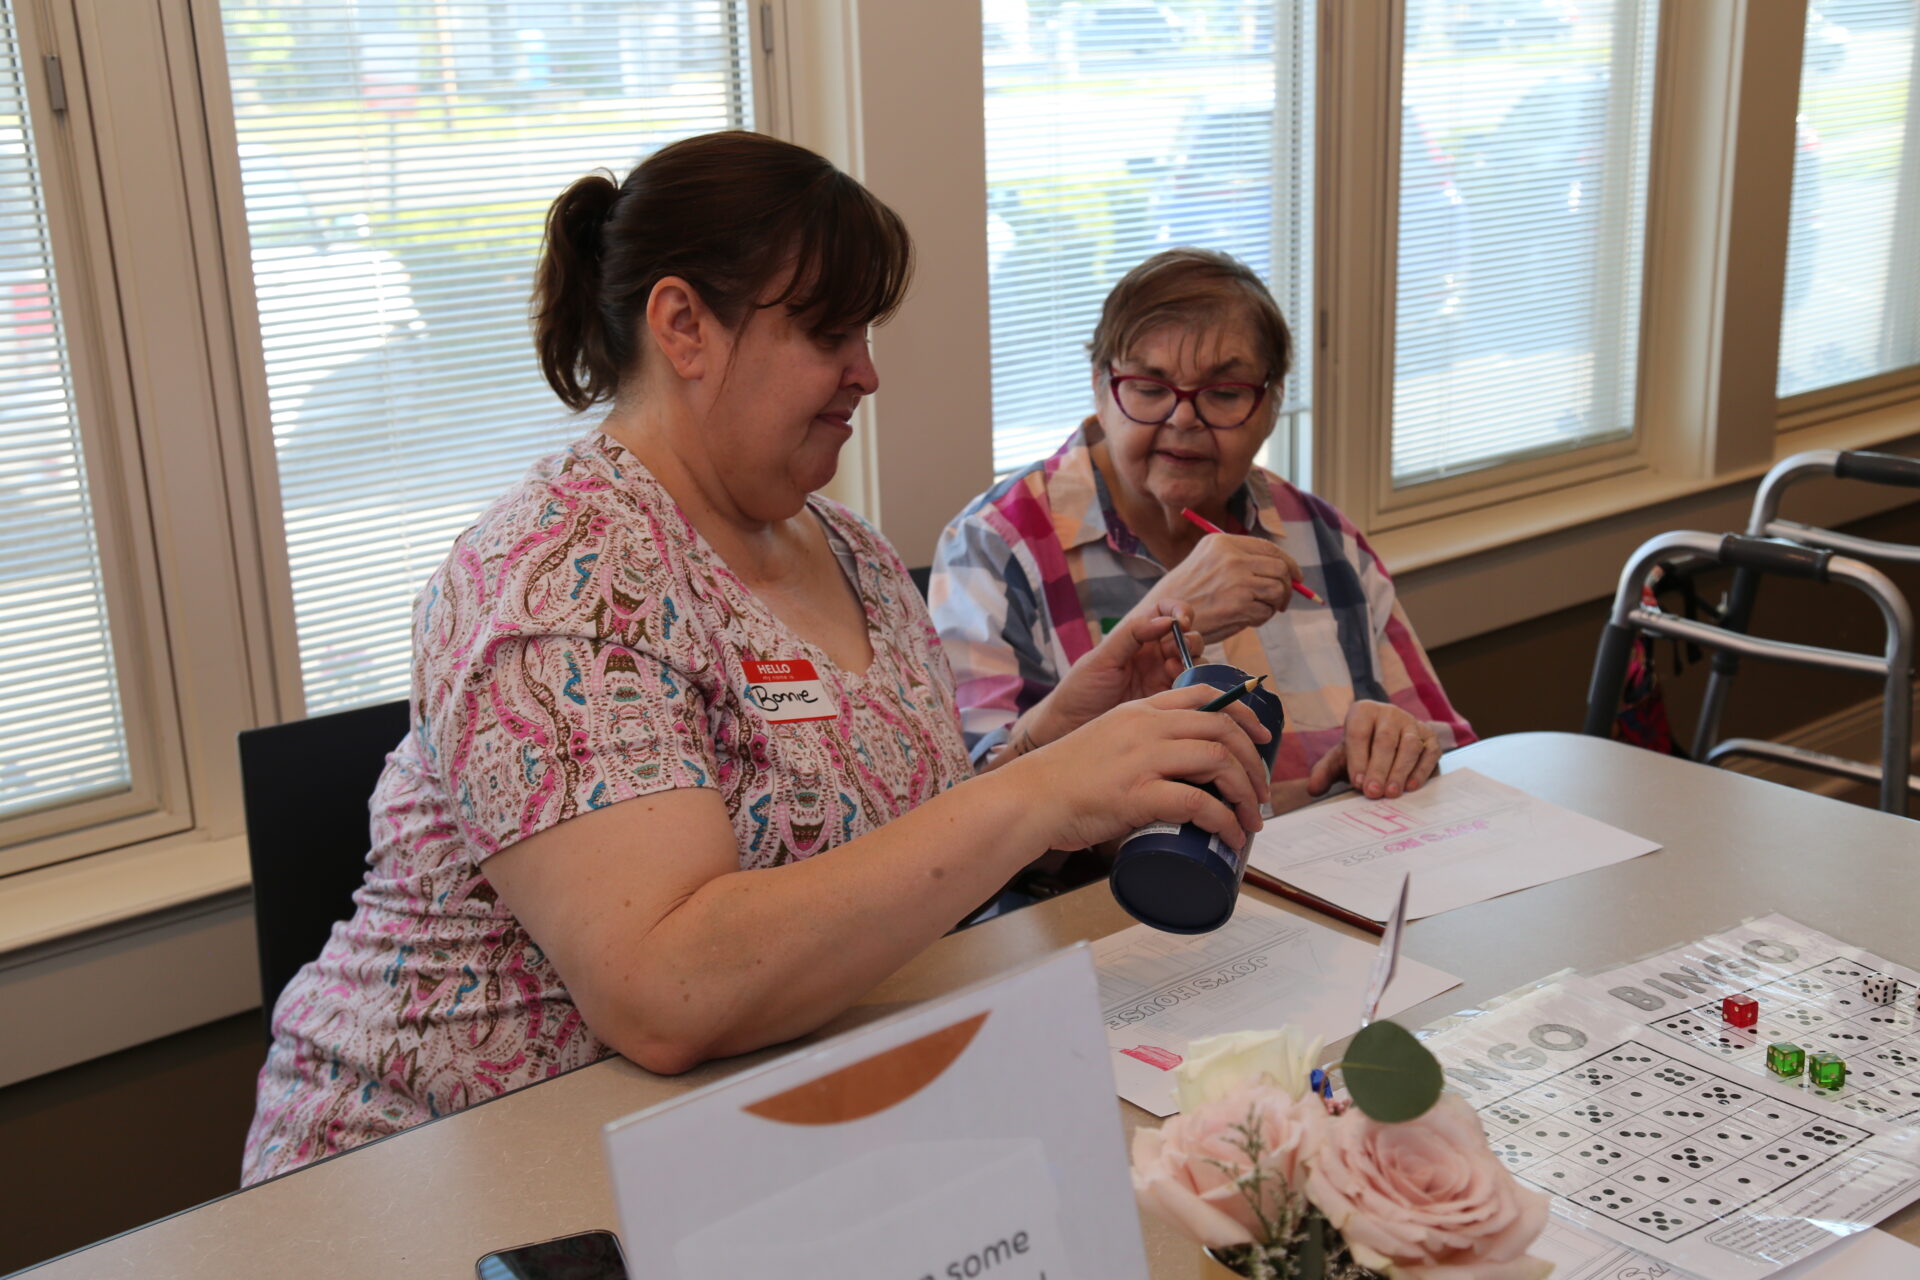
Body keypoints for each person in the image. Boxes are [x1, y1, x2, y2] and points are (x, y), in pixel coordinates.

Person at [241, 134, 1272, 1183]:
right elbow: (666, 986)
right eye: (830, 329)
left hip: (745, 1132)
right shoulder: (555, 575)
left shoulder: (850, 551)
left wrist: (1059, 741)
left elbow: (884, 868)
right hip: (441, 1167)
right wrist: (1044, 794)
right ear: (684, 324)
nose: (866, 370)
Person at [931, 249, 1473, 817]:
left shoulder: (1322, 536)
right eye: (1149, 387)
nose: (1183, 419)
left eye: (1224, 393)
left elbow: (1449, 751)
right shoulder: (994, 547)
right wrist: (1172, 611)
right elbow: (976, 810)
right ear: (1100, 387)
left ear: (1272, 403)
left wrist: (1402, 745)